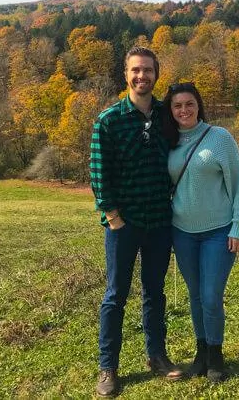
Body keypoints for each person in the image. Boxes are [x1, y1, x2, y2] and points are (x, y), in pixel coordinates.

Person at [90, 46, 182, 397]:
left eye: (148, 70)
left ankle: (156, 357)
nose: (142, 76)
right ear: (125, 75)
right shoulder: (109, 120)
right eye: (135, 70)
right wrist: (113, 218)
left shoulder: (166, 115)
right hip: (124, 226)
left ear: (156, 74)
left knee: (154, 293)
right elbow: (99, 174)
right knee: (116, 295)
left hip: (160, 221)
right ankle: (108, 367)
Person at [161, 82, 239, 382]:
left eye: (189, 104)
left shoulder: (220, 138)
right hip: (182, 232)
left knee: (211, 296)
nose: (183, 110)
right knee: (195, 295)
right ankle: (201, 353)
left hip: (218, 232)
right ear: (170, 111)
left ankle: (216, 355)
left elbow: (238, 185)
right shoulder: (168, 141)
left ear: (198, 105)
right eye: (177, 106)